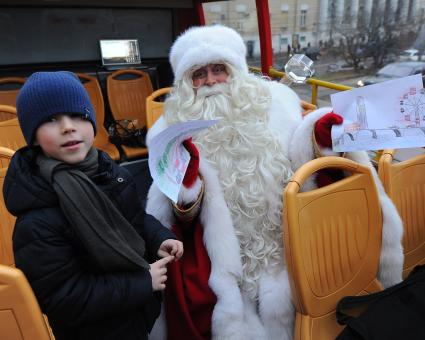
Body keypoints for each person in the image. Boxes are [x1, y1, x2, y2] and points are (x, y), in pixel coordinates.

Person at [145, 25, 403, 340]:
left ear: (236, 72)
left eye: (219, 70)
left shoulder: (277, 101)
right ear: (186, 83)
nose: (211, 81)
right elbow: (178, 216)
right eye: (199, 74)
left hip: (284, 236)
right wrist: (188, 187)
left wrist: (319, 132)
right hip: (225, 251)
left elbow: (302, 159)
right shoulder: (170, 130)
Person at [2, 71, 183, 340]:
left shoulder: (109, 172)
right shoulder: (37, 219)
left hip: (134, 317)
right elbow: (62, 298)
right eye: (51, 120)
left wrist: (159, 237)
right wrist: (141, 283)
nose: (68, 127)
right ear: (34, 137)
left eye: (78, 115)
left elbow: (132, 218)